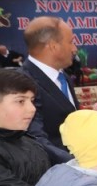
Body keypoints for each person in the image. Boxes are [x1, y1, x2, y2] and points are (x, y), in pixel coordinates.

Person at [21, 16, 79, 163]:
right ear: (53, 46)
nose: (74, 48)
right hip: (52, 172)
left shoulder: (63, 77)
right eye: (71, 42)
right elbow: (34, 137)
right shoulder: (23, 83)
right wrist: (76, 163)